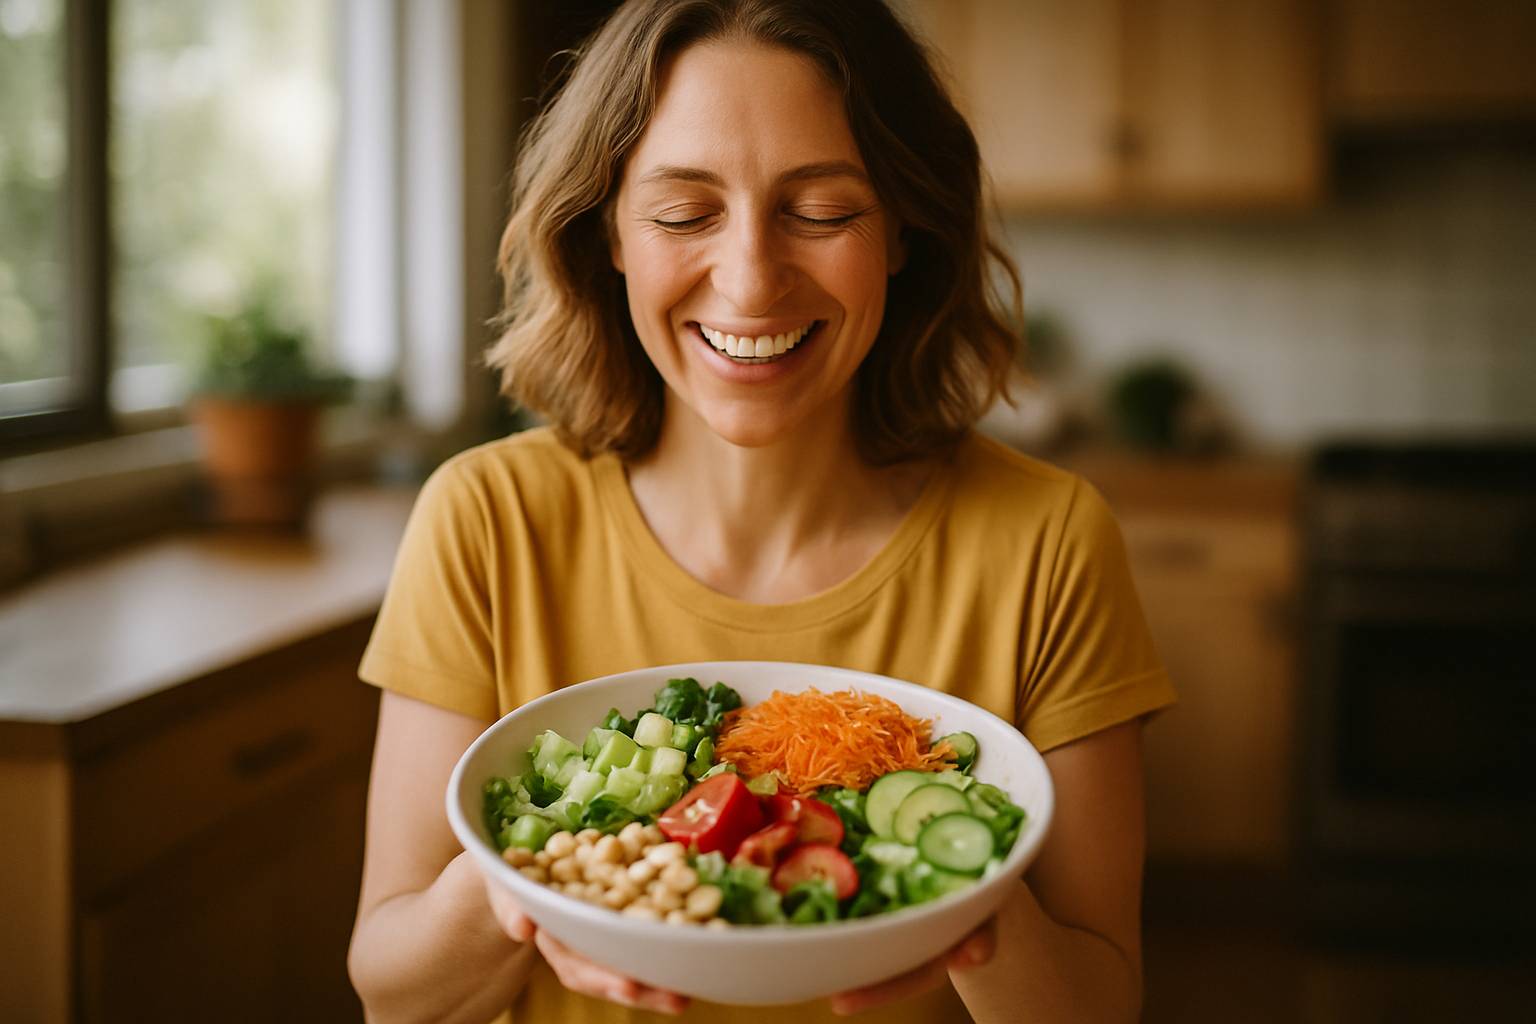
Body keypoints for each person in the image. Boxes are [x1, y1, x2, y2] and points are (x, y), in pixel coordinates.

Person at [346, 1, 1175, 1021]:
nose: (748, 282)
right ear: (606, 230)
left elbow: (1102, 1003)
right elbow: (392, 996)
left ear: (905, 230)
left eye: (822, 213)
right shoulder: (484, 518)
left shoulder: (1049, 541)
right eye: (684, 214)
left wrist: (965, 913)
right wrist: (544, 881)